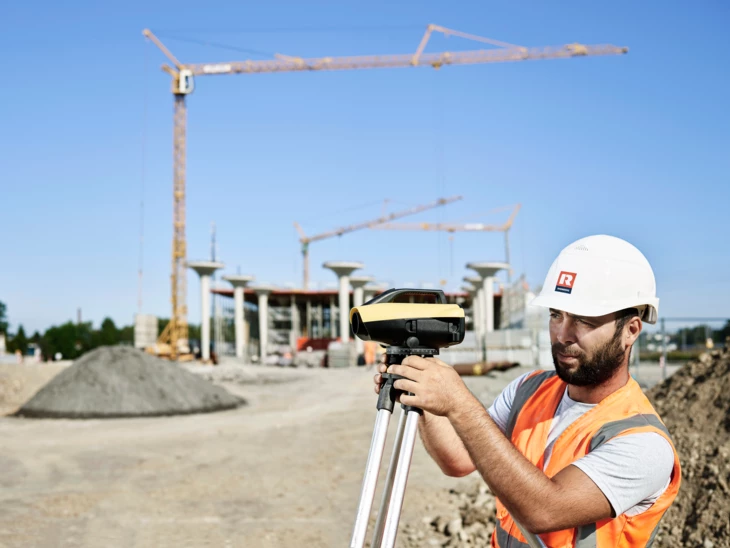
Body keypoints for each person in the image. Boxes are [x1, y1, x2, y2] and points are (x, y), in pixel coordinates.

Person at [374, 235, 681, 547]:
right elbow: (457, 459)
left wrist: (459, 403)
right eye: (555, 315)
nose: (563, 334)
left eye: (584, 321)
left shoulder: (644, 444)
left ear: (630, 331)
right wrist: (421, 394)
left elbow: (544, 510)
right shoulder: (529, 388)